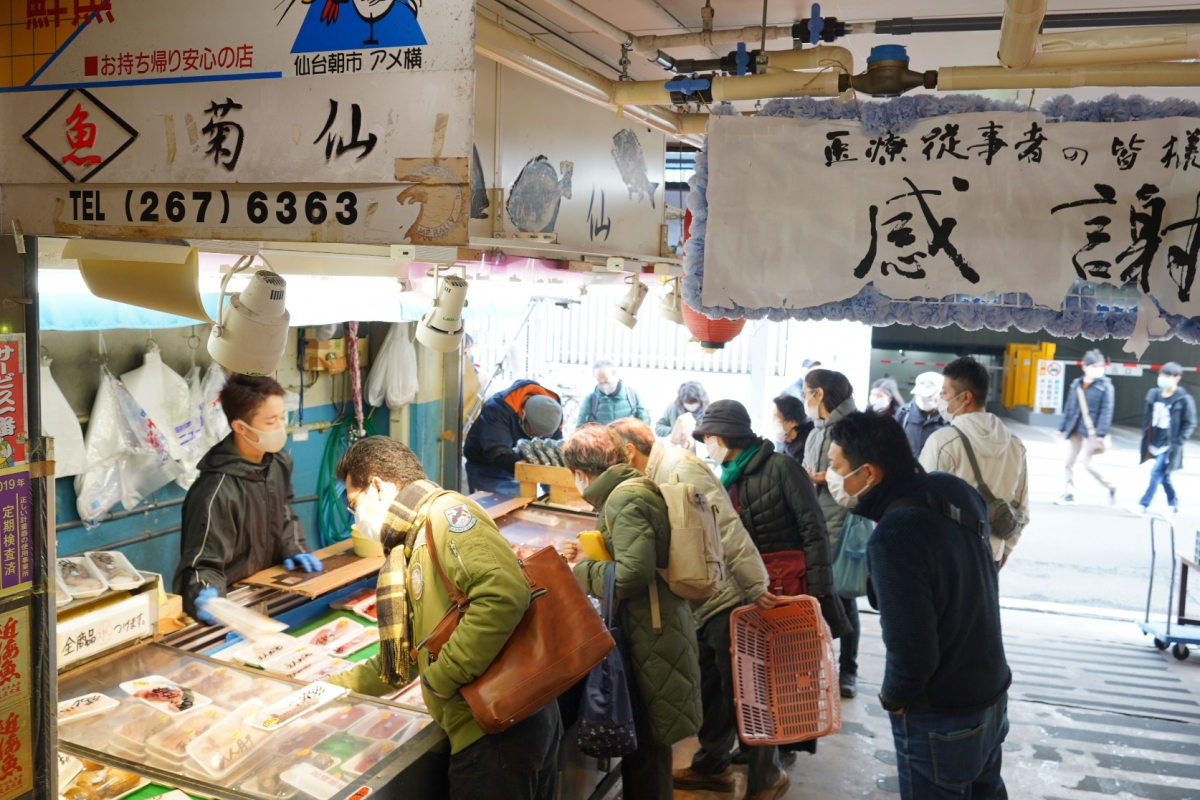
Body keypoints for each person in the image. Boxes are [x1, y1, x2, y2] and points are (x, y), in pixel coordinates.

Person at [327, 436, 561, 800]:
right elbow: (407, 653)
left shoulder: (446, 517)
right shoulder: (411, 540)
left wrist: (442, 678)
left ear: (377, 485)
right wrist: (336, 686)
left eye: (354, 503)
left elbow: (503, 595)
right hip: (489, 723)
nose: (355, 515)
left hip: (499, 728)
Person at [827, 412, 1011, 800]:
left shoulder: (895, 535)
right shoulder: (954, 490)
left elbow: (912, 648)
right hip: (991, 692)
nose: (831, 476)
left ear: (869, 474)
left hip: (944, 712)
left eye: (836, 467)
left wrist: (893, 697)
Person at [607, 419, 781, 800]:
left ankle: (768, 776)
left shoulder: (680, 468)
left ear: (629, 452)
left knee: (743, 692)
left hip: (727, 595)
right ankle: (711, 766)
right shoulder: (658, 470)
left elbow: (727, 527)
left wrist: (756, 584)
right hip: (700, 598)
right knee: (710, 689)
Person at [560, 424, 702, 800]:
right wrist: (590, 556)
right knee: (647, 743)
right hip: (653, 625)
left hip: (649, 632)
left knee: (648, 746)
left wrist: (581, 571)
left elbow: (631, 575)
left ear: (580, 470)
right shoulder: (628, 490)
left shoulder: (624, 499)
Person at [695, 400, 849, 688]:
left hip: (791, 590)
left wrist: (819, 593)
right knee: (755, 682)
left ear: (727, 434)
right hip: (749, 593)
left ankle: (800, 734)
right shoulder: (723, 478)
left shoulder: (782, 467)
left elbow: (814, 529)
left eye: (708, 436)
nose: (706, 443)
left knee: (794, 678)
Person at [175, 374, 320, 622]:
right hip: (232, 605)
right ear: (241, 427)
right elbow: (201, 566)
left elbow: (283, 510)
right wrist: (205, 595)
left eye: (282, 418)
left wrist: (293, 545)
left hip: (270, 590)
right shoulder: (215, 491)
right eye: (271, 421)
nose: (280, 427)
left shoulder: (278, 461)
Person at [919, 357, 1030, 569]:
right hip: (991, 556)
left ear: (965, 397)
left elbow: (921, 502)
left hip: (948, 556)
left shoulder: (943, 442)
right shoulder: (1015, 444)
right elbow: (1021, 507)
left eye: (944, 392)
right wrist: (1004, 551)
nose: (940, 397)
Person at [800, 369, 861, 698]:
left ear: (818, 394)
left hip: (845, 523)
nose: (804, 398)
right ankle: (818, 667)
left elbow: (863, 477)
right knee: (818, 597)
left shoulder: (853, 428)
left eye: (805, 391)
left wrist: (827, 478)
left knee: (845, 597)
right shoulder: (815, 432)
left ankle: (847, 671)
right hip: (816, 523)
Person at [463, 379, 563, 494]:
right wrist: (534, 473)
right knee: (500, 506)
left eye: (544, 435)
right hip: (488, 468)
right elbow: (497, 453)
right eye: (535, 433)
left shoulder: (553, 409)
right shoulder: (497, 409)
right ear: (522, 414)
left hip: (522, 464)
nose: (539, 437)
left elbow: (554, 445)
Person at [1134, 362, 1197, 515]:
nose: (1163, 378)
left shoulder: (1183, 399)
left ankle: (1143, 504)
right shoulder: (1153, 394)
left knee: (1156, 472)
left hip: (1169, 444)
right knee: (1164, 475)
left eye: (1167, 376)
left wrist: (1178, 442)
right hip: (1153, 441)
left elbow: (1190, 422)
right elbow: (1147, 419)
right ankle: (1173, 504)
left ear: (1177, 378)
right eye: (1162, 375)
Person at [1056, 350, 1117, 506]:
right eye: (1094, 366)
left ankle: (1111, 485)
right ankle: (1069, 492)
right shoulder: (1076, 384)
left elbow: (1106, 411)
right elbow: (1069, 407)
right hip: (1075, 428)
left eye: (1100, 366)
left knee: (1087, 463)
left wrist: (1101, 434)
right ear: (1085, 367)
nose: (1098, 369)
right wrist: (1061, 427)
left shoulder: (1106, 386)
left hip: (1092, 431)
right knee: (1069, 461)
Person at [577, 359, 651, 426]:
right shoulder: (590, 399)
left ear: (616, 375)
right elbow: (579, 429)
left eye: (606, 381)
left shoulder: (632, 396)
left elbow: (645, 425)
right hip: (602, 441)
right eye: (600, 382)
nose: (604, 385)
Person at [895, 371, 949, 458]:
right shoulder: (904, 413)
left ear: (941, 393)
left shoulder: (949, 417)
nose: (923, 399)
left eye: (928, 396)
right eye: (920, 395)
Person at [655, 381, 709, 449]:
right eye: (688, 403)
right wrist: (676, 432)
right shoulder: (673, 407)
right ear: (681, 401)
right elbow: (659, 427)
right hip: (677, 451)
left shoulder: (709, 411)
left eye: (695, 402)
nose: (691, 406)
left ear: (701, 400)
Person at [771, 394, 813, 465]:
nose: (773, 421)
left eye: (776, 417)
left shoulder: (809, 447)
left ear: (792, 422)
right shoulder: (783, 448)